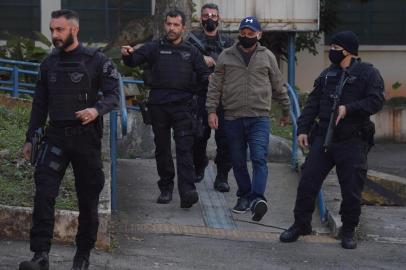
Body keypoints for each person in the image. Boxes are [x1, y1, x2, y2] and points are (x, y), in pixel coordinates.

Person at [19, 9, 119, 270]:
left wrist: (96, 110)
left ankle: (82, 255)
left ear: (74, 29)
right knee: (44, 195)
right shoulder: (48, 63)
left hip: (86, 140)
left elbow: (112, 95)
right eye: (52, 30)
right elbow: (40, 104)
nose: (54, 35)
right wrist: (31, 138)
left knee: (87, 199)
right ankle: (40, 255)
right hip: (55, 139)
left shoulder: (96, 61)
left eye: (59, 30)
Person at [279, 31, 385, 249]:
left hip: (353, 140)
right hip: (324, 138)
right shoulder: (328, 74)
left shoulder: (368, 74)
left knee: (351, 190)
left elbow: (375, 101)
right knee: (308, 181)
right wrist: (303, 130)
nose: (332, 52)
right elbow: (313, 104)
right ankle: (301, 224)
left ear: (348, 51)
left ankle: (348, 231)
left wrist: (350, 108)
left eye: (336, 49)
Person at [121, 9, 210, 208]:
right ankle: (166, 188)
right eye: (169, 24)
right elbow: (133, 59)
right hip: (159, 106)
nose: (171, 28)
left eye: (176, 25)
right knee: (162, 149)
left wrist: (201, 96)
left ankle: (187, 191)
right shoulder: (154, 48)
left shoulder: (192, 51)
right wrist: (127, 55)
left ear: (183, 28)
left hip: (183, 107)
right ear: (164, 25)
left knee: (184, 149)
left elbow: (204, 76)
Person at [206, 16, 290, 222]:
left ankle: (257, 199)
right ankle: (244, 195)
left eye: (250, 33)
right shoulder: (226, 56)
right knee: (237, 160)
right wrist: (211, 110)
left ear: (259, 35)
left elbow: (278, 85)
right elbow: (215, 86)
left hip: (258, 117)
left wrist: (286, 109)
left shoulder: (267, 56)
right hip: (232, 117)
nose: (246, 36)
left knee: (259, 158)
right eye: (243, 33)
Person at [186, 3, 234, 192]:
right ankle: (200, 164)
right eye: (206, 15)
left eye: (213, 15)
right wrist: (200, 59)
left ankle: (222, 176)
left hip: (224, 97)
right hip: (200, 95)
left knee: (225, 140)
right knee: (198, 136)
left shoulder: (229, 43)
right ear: (201, 18)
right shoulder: (191, 41)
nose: (210, 18)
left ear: (219, 18)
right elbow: (184, 60)